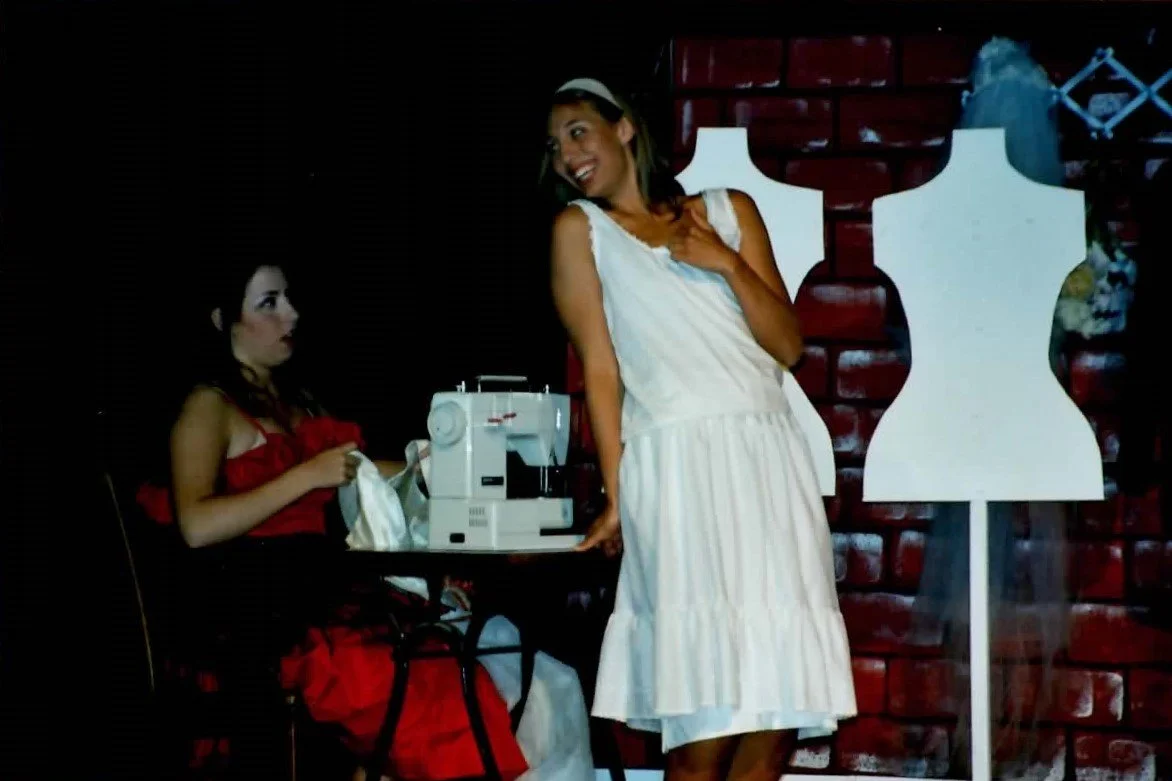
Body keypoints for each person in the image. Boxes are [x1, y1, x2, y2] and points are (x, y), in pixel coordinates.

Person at [542, 77, 857, 781]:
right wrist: (619, 495)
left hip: (766, 461)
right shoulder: (580, 232)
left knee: (775, 709)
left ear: (624, 127)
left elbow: (788, 346)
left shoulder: (726, 211)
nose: (566, 155)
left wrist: (726, 261)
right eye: (555, 145)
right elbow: (600, 371)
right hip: (677, 468)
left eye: (577, 131)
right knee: (702, 722)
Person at [136, 256, 529, 781]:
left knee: (460, 662)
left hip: (325, 594)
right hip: (266, 616)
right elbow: (196, 525)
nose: (292, 315)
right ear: (222, 320)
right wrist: (305, 476)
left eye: (288, 298)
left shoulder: (299, 403)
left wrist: (431, 464)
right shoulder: (209, 405)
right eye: (269, 303)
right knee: (415, 682)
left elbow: (360, 472)